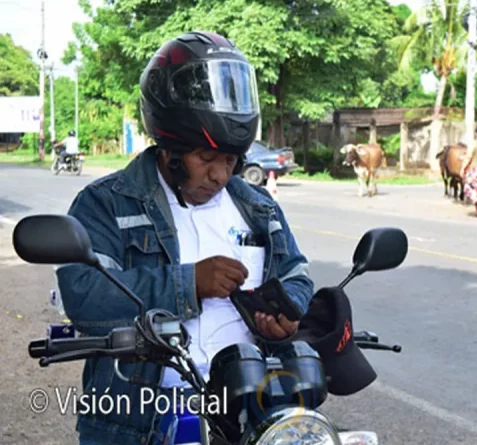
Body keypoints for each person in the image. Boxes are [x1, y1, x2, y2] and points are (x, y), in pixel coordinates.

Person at [54, 31, 314, 445]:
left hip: (248, 414)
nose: (219, 175)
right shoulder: (106, 204)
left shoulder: (260, 208)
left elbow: (297, 275)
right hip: (139, 421)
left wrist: (286, 314)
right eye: (206, 158)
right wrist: (188, 282)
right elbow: (85, 295)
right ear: (169, 149)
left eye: (230, 160)